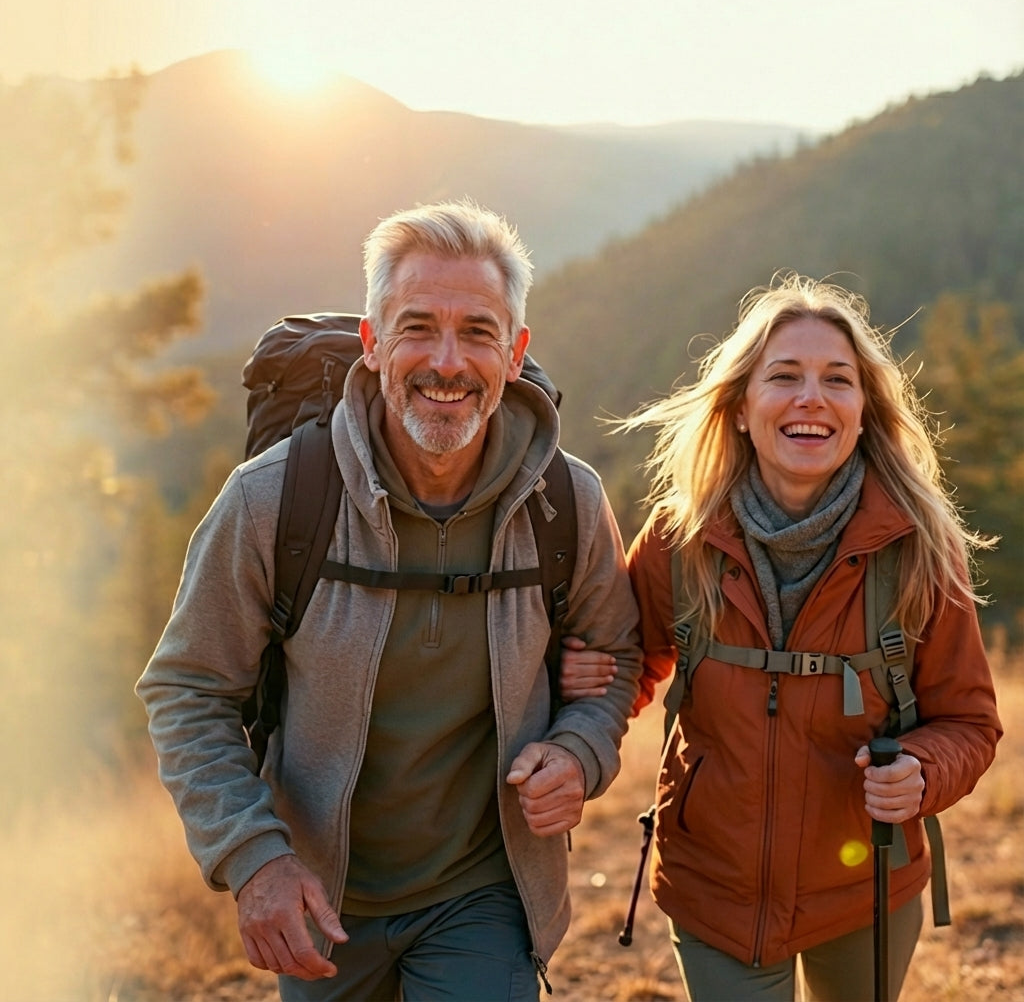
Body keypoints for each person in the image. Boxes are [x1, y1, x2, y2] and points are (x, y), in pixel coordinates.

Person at [137, 200, 642, 1002]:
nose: (447, 361)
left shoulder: (565, 502)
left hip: (485, 893)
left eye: (477, 331)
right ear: (372, 346)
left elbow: (613, 660)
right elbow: (188, 689)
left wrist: (580, 750)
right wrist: (255, 859)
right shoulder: (274, 500)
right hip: (321, 898)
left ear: (515, 354)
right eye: (417, 327)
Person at [561, 273, 1002, 1001]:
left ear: (864, 411)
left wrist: (921, 769)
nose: (811, 398)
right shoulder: (681, 539)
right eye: (784, 377)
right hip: (714, 888)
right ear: (739, 408)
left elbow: (970, 719)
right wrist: (589, 682)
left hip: (867, 884)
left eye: (838, 380)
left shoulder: (919, 547)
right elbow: (626, 656)